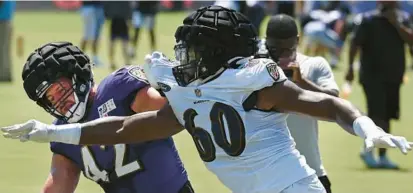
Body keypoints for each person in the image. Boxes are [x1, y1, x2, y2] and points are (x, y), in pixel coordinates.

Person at [2, 6, 412, 193]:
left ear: (216, 53)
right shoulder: (189, 91)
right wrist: (49, 133)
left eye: (194, 52)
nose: (185, 59)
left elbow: (324, 104)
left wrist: (366, 125)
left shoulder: (254, 81)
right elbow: (126, 127)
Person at [17, 42, 194, 193]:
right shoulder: (60, 133)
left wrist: (171, 88)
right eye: (51, 99)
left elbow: (176, 113)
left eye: (60, 90)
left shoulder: (118, 89)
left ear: (78, 75)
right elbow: (56, 186)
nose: (59, 102)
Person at [260, 14, 339, 193]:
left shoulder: (314, 64)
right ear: (266, 42)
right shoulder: (256, 68)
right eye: (274, 48)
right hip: (266, 177)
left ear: (297, 40)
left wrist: (302, 82)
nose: (280, 54)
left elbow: (334, 100)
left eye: (286, 48)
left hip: (310, 173)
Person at [346, 1, 413, 169]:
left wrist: (396, 24)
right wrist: (349, 68)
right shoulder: (368, 20)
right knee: (377, 114)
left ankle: (382, 156)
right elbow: (355, 43)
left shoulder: (403, 19)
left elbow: (411, 41)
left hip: (394, 75)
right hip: (372, 76)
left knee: (388, 115)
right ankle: (368, 151)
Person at [103, 1, 132, 70]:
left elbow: (129, 9)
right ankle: (112, 62)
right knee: (113, 44)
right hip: (115, 21)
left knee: (124, 44)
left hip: (122, 22)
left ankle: (127, 61)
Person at [80, 1, 105, 67]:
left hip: (100, 7)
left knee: (97, 35)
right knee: (88, 35)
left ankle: (95, 58)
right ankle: (79, 58)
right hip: (89, 7)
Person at [0, 0, 16, 82]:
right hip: (5, 17)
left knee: (2, 48)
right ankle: (5, 74)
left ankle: (4, 76)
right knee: (4, 48)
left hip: (2, 18)